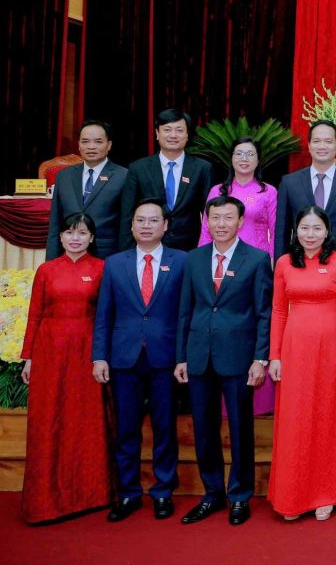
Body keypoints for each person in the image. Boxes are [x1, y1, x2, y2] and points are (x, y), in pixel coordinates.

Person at [174, 196, 272, 526]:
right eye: (215, 217)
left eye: (228, 218)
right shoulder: (194, 258)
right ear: (206, 220)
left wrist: (260, 357)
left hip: (239, 357)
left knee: (240, 428)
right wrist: (181, 356)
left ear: (241, 222)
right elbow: (185, 310)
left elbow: (263, 313)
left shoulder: (257, 259)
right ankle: (212, 493)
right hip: (199, 355)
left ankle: (240, 495)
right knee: (204, 429)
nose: (221, 224)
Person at [267, 207, 336, 521]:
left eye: (317, 228)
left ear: (327, 231)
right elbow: (278, 311)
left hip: (331, 350)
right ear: (295, 231)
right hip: (294, 350)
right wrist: (275, 355)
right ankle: (293, 494)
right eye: (305, 228)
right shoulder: (284, 263)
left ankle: (327, 492)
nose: (310, 235)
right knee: (295, 419)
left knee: (327, 417)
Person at [93, 198, 187, 522]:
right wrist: (99, 357)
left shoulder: (182, 261)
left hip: (165, 358)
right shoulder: (114, 264)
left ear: (165, 225)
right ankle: (128, 492)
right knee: (126, 429)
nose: (146, 226)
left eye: (153, 220)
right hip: (124, 358)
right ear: (131, 226)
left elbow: (186, 314)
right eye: (140, 220)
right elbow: (103, 314)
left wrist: (183, 356)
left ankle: (163, 491)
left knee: (165, 427)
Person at [20, 213, 113, 523]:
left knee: (85, 419)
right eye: (70, 233)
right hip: (49, 353)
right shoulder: (46, 270)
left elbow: (106, 316)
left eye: (82, 233)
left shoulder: (102, 269)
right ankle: (45, 500)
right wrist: (29, 357)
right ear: (59, 237)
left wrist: (102, 355)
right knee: (49, 418)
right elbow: (34, 314)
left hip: (86, 353)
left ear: (92, 238)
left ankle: (91, 494)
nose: (75, 238)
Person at [197, 136, 278, 415]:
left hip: (255, 269)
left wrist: (272, 268)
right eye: (239, 154)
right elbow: (205, 231)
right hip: (220, 267)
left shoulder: (268, 192)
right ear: (231, 159)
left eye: (250, 154)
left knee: (255, 324)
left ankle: (260, 400)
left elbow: (276, 232)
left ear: (258, 160)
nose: (244, 159)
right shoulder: (217, 191)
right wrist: (202, 267)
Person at [119, 108, 213, 251]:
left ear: (187, 135)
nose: (173, 135)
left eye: (179, 130)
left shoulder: (202, 168)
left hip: (189, 249)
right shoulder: (138, 168)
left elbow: (209, 213)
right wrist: (127, 253)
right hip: (148, 247)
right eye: (167, 130)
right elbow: (127, 214)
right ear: (157, 133)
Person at [275, 120, 336, 262]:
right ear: (309, 145)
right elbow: (282, 232)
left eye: (328, 141)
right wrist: (280, 267)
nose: (322, 146)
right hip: (300, 262)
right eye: (316, 141)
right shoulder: (289, 183)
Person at [46, 120, 128, 259]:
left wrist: (123, 262)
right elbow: (55, 222)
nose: (91, 147)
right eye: (85, 141)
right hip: (68, 255)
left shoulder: (123, 176)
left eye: (98, 141)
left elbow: (126, 225)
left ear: (109, 145)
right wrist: (51, 261)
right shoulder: (64, 176)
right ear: (78, 145)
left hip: (107, 255)